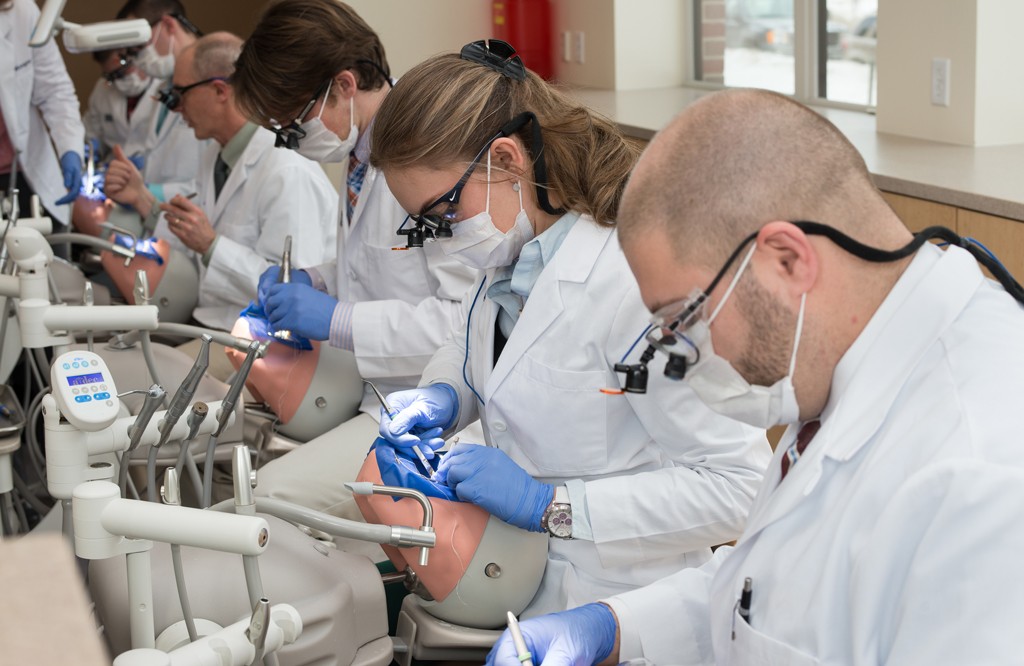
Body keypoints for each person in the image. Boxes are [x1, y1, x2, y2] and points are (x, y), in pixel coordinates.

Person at [486, 88, 1024, 664]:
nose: (679, 356)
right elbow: (777, 591)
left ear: (787, 260)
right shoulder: (842, 366)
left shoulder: (983, 474)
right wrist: (618, 628)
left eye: (683, 319)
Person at [370, 42, 771, 617]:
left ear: (507, 161)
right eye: (425, 224)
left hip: (622, 602)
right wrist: (444, 396)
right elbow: (472, 351)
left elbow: (740, 486)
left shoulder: (632, 284)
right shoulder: (508, 254)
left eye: (445, 212)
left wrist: (548, 505)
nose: (442, 235)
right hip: (515, 577)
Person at [228, 0, 480, 519]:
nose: (293, 144)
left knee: (271, 497)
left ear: (343, 86)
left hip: (437, 410)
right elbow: (385, 265)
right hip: (380, 391)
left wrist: (336, 320)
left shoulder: (426, 154)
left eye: (294, 125)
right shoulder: (363, 155)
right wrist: (317, 279)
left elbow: (470, 321)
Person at [103, 32, 337, 331]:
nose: (175, 109)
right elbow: (197, 237)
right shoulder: (216, 155)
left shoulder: (288, 170)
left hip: (264, 342)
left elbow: (292, 288)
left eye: (179, 95)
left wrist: (213, 246)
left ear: (219, 90)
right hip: (213, 321)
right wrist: (141, 199)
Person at [106, 0, 206, 236]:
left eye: (138, 48)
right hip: (163, 222)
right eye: (130, 53)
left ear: (168, 26)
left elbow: (214, 184)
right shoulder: (163, 89)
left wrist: (147, 191)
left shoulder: (213, 85)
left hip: (198, 225)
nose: (138, 59)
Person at [0, 0, 84, 225]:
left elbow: (55, 90)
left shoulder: (22, 11)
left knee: (47, 253)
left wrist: (70, 148)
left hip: (25, 170)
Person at [82, 48, 159, 162]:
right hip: (115, 168)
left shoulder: (164, 86)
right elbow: (93, 131)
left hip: (153, 169)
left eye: (122, 71)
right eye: (113, 76)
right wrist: (90, 149)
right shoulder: (102, 90)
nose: (121, 80)